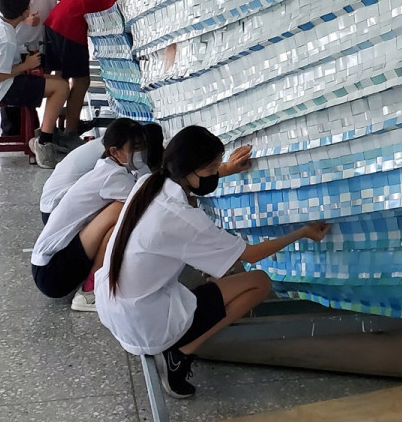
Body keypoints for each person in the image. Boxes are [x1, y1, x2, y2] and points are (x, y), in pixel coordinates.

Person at [95, 125, 329, 399]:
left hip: (113, 304)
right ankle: (180, 353)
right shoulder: (183, 219)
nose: (216, 174)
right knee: (259, 282)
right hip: (145, 321)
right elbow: (251, 255)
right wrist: (302, 232)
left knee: (215, 274)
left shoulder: (147, 183)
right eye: (212, 169)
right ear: (189, 169)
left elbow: (189, 194)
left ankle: (181, 333)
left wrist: (228, 168)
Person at [31, 118, 148, 313]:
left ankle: (98, 281)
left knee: (121, 215)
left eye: (143, 147)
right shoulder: (113, 176)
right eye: (135, 148)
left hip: (47, 267)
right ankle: (89, 292)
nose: (141, 153)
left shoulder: (109, 168)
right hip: (51, 273)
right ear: (115, 152)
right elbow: (149, 205)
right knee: (123, 211)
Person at [0, 0, 70, 170]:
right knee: (62, 88)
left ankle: (44, 134)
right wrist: (26, 66)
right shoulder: (5, 38)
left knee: (57, 82)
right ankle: (44, 141)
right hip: (0, 89)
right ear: (25, 12)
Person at [43, 0, 136, 142]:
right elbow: (120, 25)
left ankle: (51, 129)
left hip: (53, 20)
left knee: (61, 78)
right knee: (82, 81)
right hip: (70, 28)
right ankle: (70, 132)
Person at [39, 120, 164, 225]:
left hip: (54, 207)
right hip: (53, 210)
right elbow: (146, 191)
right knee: (124, 209)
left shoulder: (116, 144)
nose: (142, 152)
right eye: (138, 147)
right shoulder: (113, 161)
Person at [0, 0, 61, 136]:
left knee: (35, 85)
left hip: (41, 41)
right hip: (17, 39)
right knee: (14, 83)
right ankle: (13, 131)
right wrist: (24, 20)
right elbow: (3, 5)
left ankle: (31, 127)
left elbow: (51, 7)